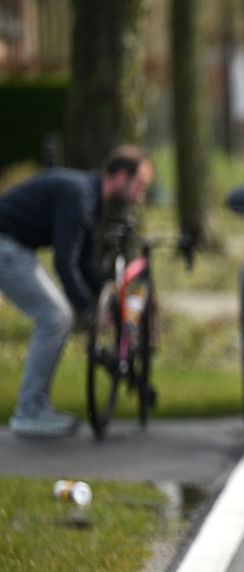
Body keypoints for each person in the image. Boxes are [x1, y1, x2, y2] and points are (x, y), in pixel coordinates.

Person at [0, 145, 153, 438]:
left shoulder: (90, 198)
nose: (139, 196)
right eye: (140, 186)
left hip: (14, 246)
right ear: (121, 176)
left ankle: (36, 406)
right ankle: (29, 410)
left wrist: (106, 298)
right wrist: (89, 308)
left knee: (57, 315)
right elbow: (64, 262)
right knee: (56, 316)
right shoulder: (80, 197)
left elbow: (84, 264)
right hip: (6, 245)